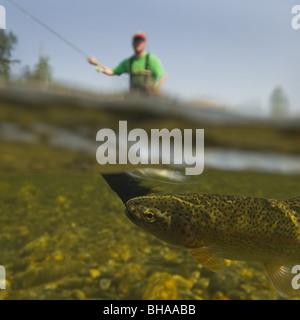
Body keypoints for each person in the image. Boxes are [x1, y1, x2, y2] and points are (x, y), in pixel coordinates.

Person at [88, 32, 166, 95]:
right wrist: (95, 63)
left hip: (150, 99)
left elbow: (163, 76)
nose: (138, 42)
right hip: (133, 99)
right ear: (132, 43)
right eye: (135, 40)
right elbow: (111, 72)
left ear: (145, 43)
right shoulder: (128, 62)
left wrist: (157, 88)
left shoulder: (152, 60)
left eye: (140, 40)